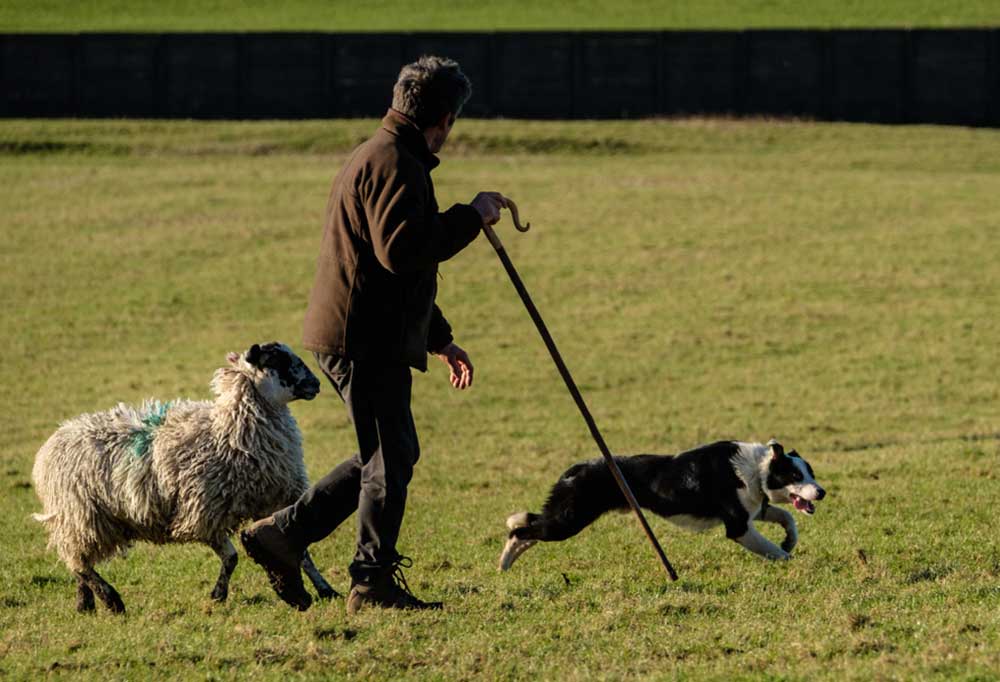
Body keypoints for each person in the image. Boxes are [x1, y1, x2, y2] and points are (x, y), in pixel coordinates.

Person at [240, 55, 507, 614]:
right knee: (391, 457)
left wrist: (439, 339)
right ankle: (370, 580)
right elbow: (402, 252)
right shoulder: (393, 163)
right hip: (363, 338)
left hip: (362, 329)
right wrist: (471, 216)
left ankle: (284, 536)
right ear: (444, 119)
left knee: (386, 455)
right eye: (452, 121)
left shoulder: (386, 154)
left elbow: (395, 271)